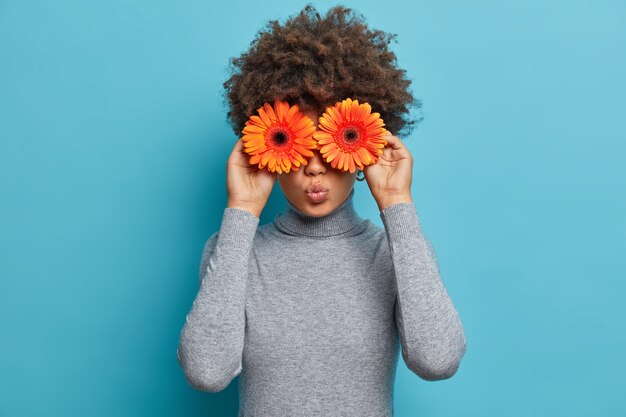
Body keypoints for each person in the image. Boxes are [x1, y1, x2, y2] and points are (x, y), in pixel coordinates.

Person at [177, 4, 467, 416]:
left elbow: (438, 360)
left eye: (331, 142)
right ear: (267, 147)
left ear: (364, 144)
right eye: (298, 144)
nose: (315, 165)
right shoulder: (232, 252)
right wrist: (242, 209)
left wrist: (398, 206)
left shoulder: (396, 252)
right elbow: (207, 372)